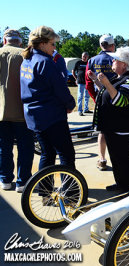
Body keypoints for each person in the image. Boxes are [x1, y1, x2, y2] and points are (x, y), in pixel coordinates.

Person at [20, 26, 76, 173]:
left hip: (34, 115)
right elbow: (59, 88)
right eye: (52, 44)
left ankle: (44, 192)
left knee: (47, 153)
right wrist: (70, 103)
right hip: (51, 116)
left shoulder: (27, 60)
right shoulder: (45, 61)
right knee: (67, 155)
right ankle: (71, 193)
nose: (55, 47)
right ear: (42, 43)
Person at [87, 47, 129, 192]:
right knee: (116, 158)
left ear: (124, 64)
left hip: (124, 128)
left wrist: (106, 83)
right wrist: (97, 81)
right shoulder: (118, 78)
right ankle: (120, 183)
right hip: (113, 127)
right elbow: (107, 93)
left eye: (115, 59)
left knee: (124, 159)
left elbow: (120, 100)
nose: (112, 61)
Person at [0, 29, 34, 192]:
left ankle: (5, 179)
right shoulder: (27, 54)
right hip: (23, 110)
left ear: (5, 41)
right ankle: (23, 181)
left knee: (4, 147)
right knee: (25, 148)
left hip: (1, 111)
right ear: (20, 41)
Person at [85, 34, 116, 170]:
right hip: (117, 98)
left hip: (101, 99)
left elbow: (88, 82)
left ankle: (102, 159)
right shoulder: (117, 58)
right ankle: (117, 159)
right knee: (117, 130)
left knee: (102, 131)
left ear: (100, 46)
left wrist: (95, 98)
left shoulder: (92, 60)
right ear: (112, 45)